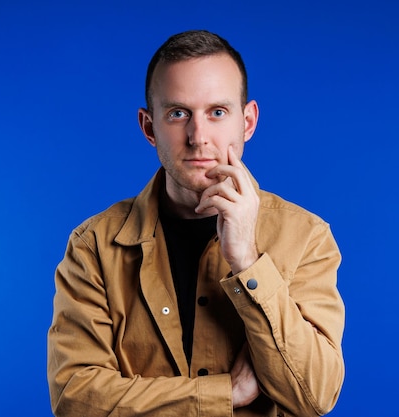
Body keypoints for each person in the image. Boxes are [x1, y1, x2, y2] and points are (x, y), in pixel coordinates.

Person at [47, 30, 345, 417]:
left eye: (217, 112)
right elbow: (75, 400)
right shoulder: (94, 245)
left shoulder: (306, 237)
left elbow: (313, 397)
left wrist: (248, 263)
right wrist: (225, 394)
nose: (198, 137)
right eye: (178, 113)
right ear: (149, 127)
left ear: (248, 122)